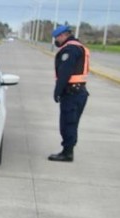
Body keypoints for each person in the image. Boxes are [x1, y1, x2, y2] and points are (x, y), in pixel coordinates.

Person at [48, 24, 90, 162]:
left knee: (68, 124)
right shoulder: (79, 46)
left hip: (72, 93)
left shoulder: (70, 50)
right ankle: (68, 150)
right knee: (71, 123)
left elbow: (65, 72)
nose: (56, 41)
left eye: (56, 38)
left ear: (62, 35)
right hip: (78, 92)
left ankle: (67, 153)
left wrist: (57, 91)